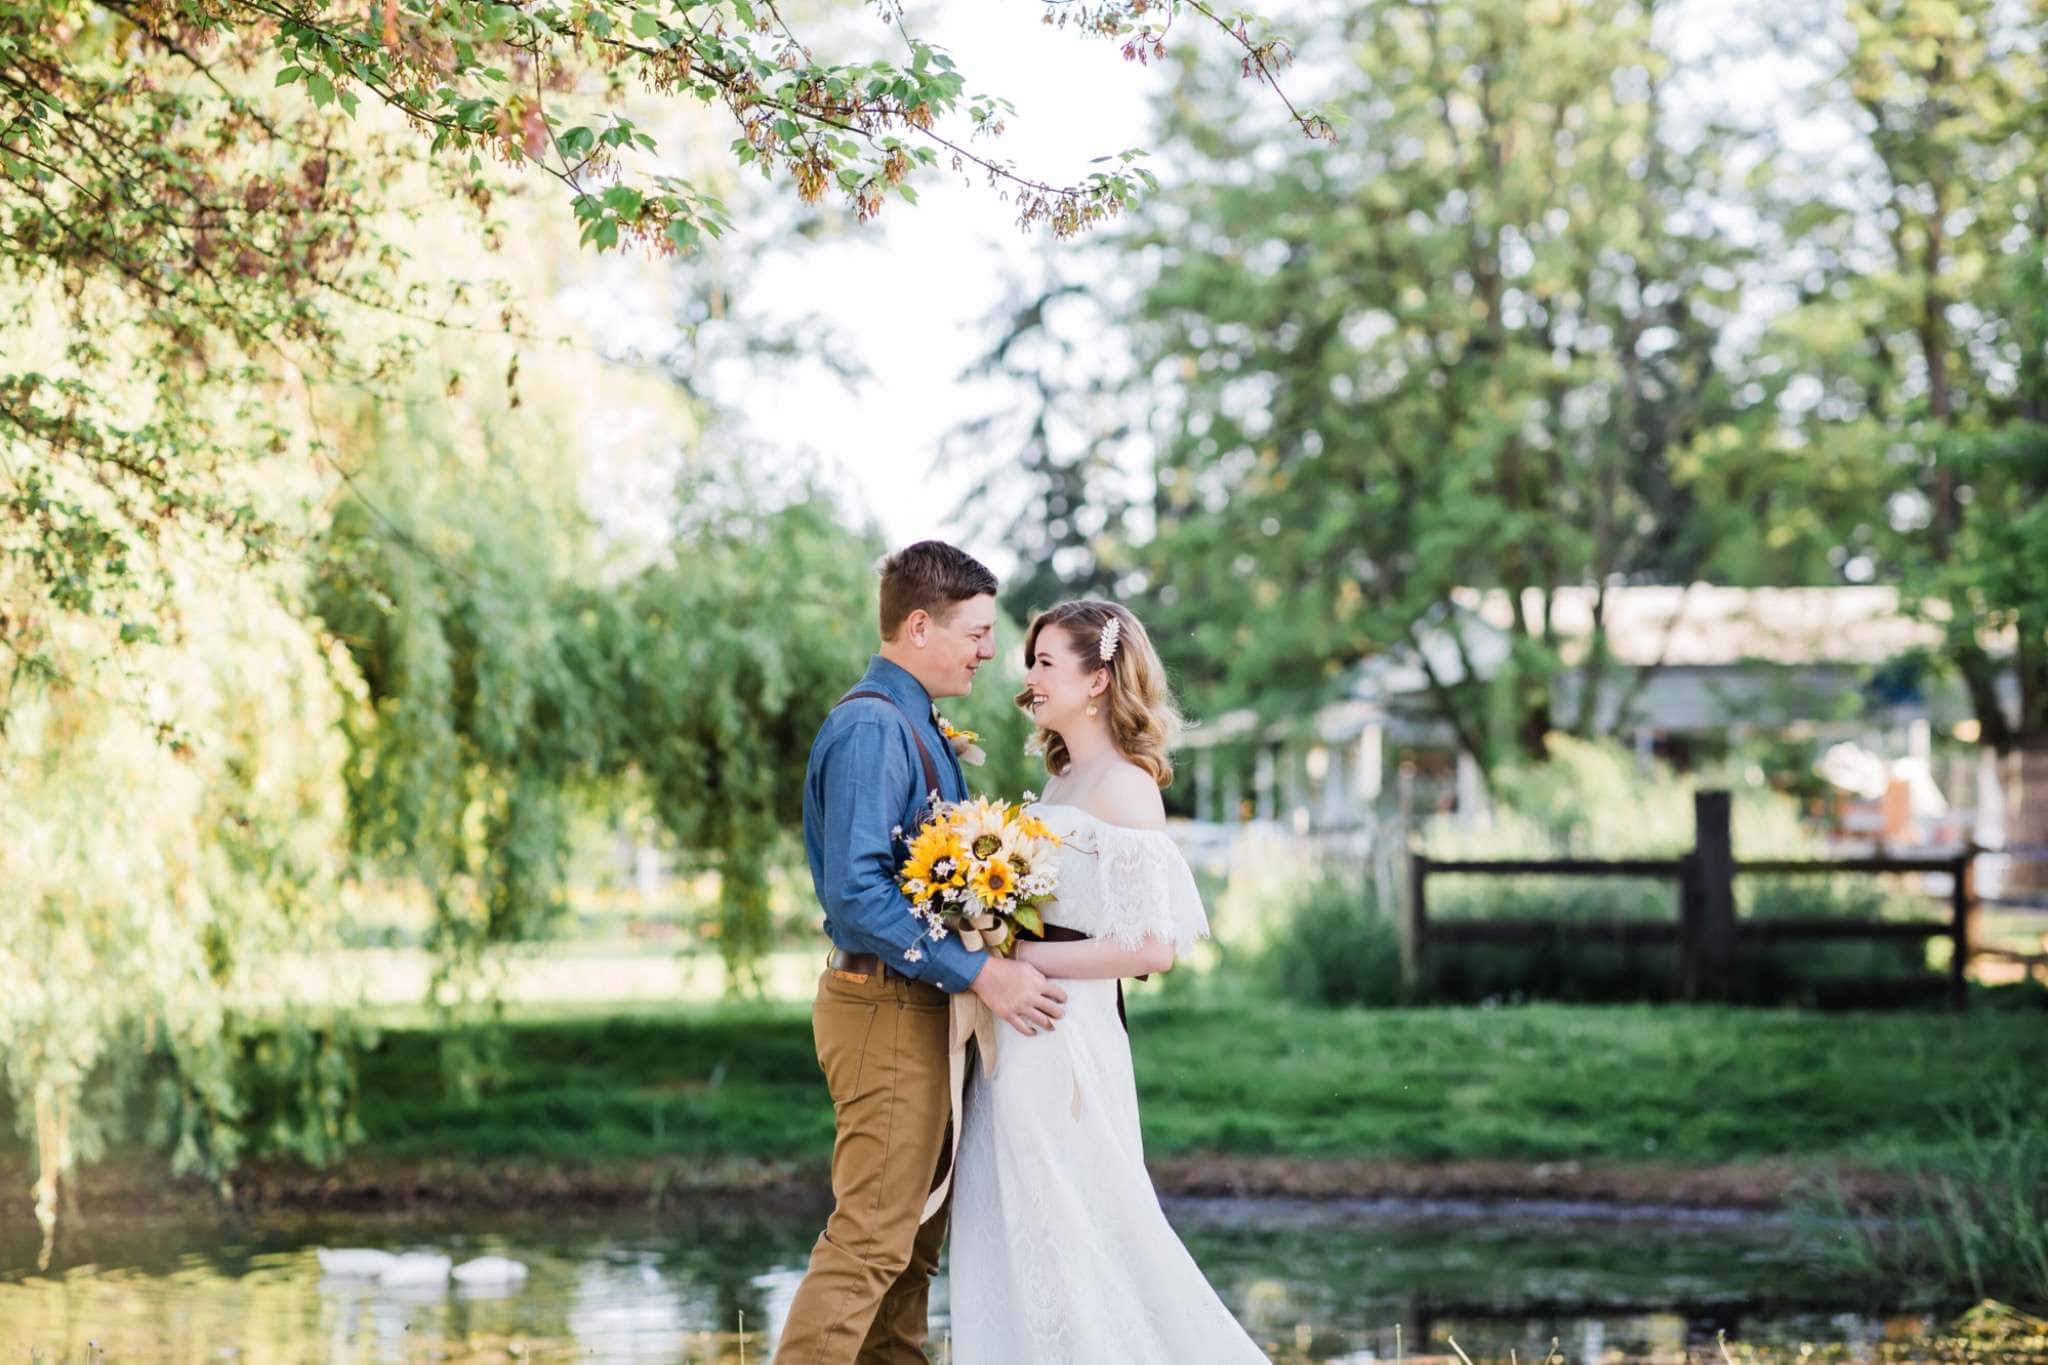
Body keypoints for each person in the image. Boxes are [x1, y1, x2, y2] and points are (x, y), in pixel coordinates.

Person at [948, 598, 1269, 1363]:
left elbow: (1152, 945)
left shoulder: (1124, 785)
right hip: (1019, 1032)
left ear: (1097, 678)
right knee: (1018, 1221)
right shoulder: (1061, 780)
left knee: (1078, 1226)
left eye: (1046, 662)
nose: (1030, 678)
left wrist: (1023, 962)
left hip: (1065, 1035)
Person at [775, 541, 1069, 1365]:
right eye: (975, 632)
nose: (988, 651)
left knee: (910, 1251)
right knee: (872, 1240)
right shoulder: (873, 726)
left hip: (919, 1006)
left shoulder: (916, 723)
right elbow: (856, 892)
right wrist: (982, 970)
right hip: (885, 1008)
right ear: (917, 626)